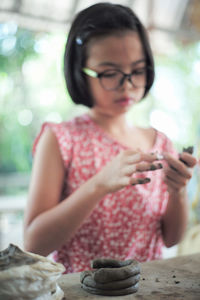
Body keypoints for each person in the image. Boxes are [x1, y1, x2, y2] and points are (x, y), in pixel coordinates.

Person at [23, 2, 197, 273]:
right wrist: (99, 184)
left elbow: (170, 238)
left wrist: (177, 192)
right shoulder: (61, 139)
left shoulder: (160, 143)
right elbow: (34, 244)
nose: (126, 84)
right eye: (110, 73)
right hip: (81, 291)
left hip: (149, 289)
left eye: (137, 71)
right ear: (80, 71)